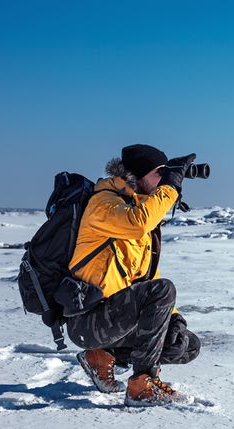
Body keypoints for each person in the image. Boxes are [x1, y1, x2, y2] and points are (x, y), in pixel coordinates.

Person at [66, 144, 201, 406]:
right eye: (159, 174)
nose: (163, 181)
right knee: (164, 290)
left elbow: (147, 279)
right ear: (137, 175)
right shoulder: (103, 204)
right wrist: (171, 186)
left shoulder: (137, 211)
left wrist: (174, 319)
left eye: (166, 175)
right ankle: (142, 385)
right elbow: (139, 222)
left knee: (185, 343)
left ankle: (100, 356)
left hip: (115, 320)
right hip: (87, 319)